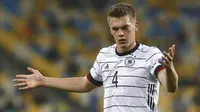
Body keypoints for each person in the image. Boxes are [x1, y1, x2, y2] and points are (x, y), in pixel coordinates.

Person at [13, 3, 178, 112]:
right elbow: (85, 83)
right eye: (115, 28)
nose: (120, 33)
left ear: (136, 26)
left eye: (125, 27)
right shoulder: (104, 55)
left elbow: (170, 87)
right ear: (110, 29)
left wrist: (170, 69)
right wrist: (44, 81)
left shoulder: (151, 54)